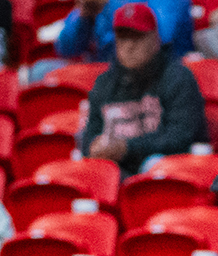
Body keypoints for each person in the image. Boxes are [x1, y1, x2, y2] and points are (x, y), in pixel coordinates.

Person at [77, 3, 207, 174]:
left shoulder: (178, 78)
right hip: (119, 170)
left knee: (154, 165)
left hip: (167, 172)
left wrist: (127, 148)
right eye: (123, 38)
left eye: (137, 37)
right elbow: (90, 135)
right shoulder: (103, 84)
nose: (129, 46)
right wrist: (95, 146)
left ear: (155, 39)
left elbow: (181, 138)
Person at [56, 0, 192, 62]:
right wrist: (85, 16)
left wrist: (109, 6)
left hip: (159, 74)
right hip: (106, 75)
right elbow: (66, 48)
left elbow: (160, 37)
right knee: (42, 69)